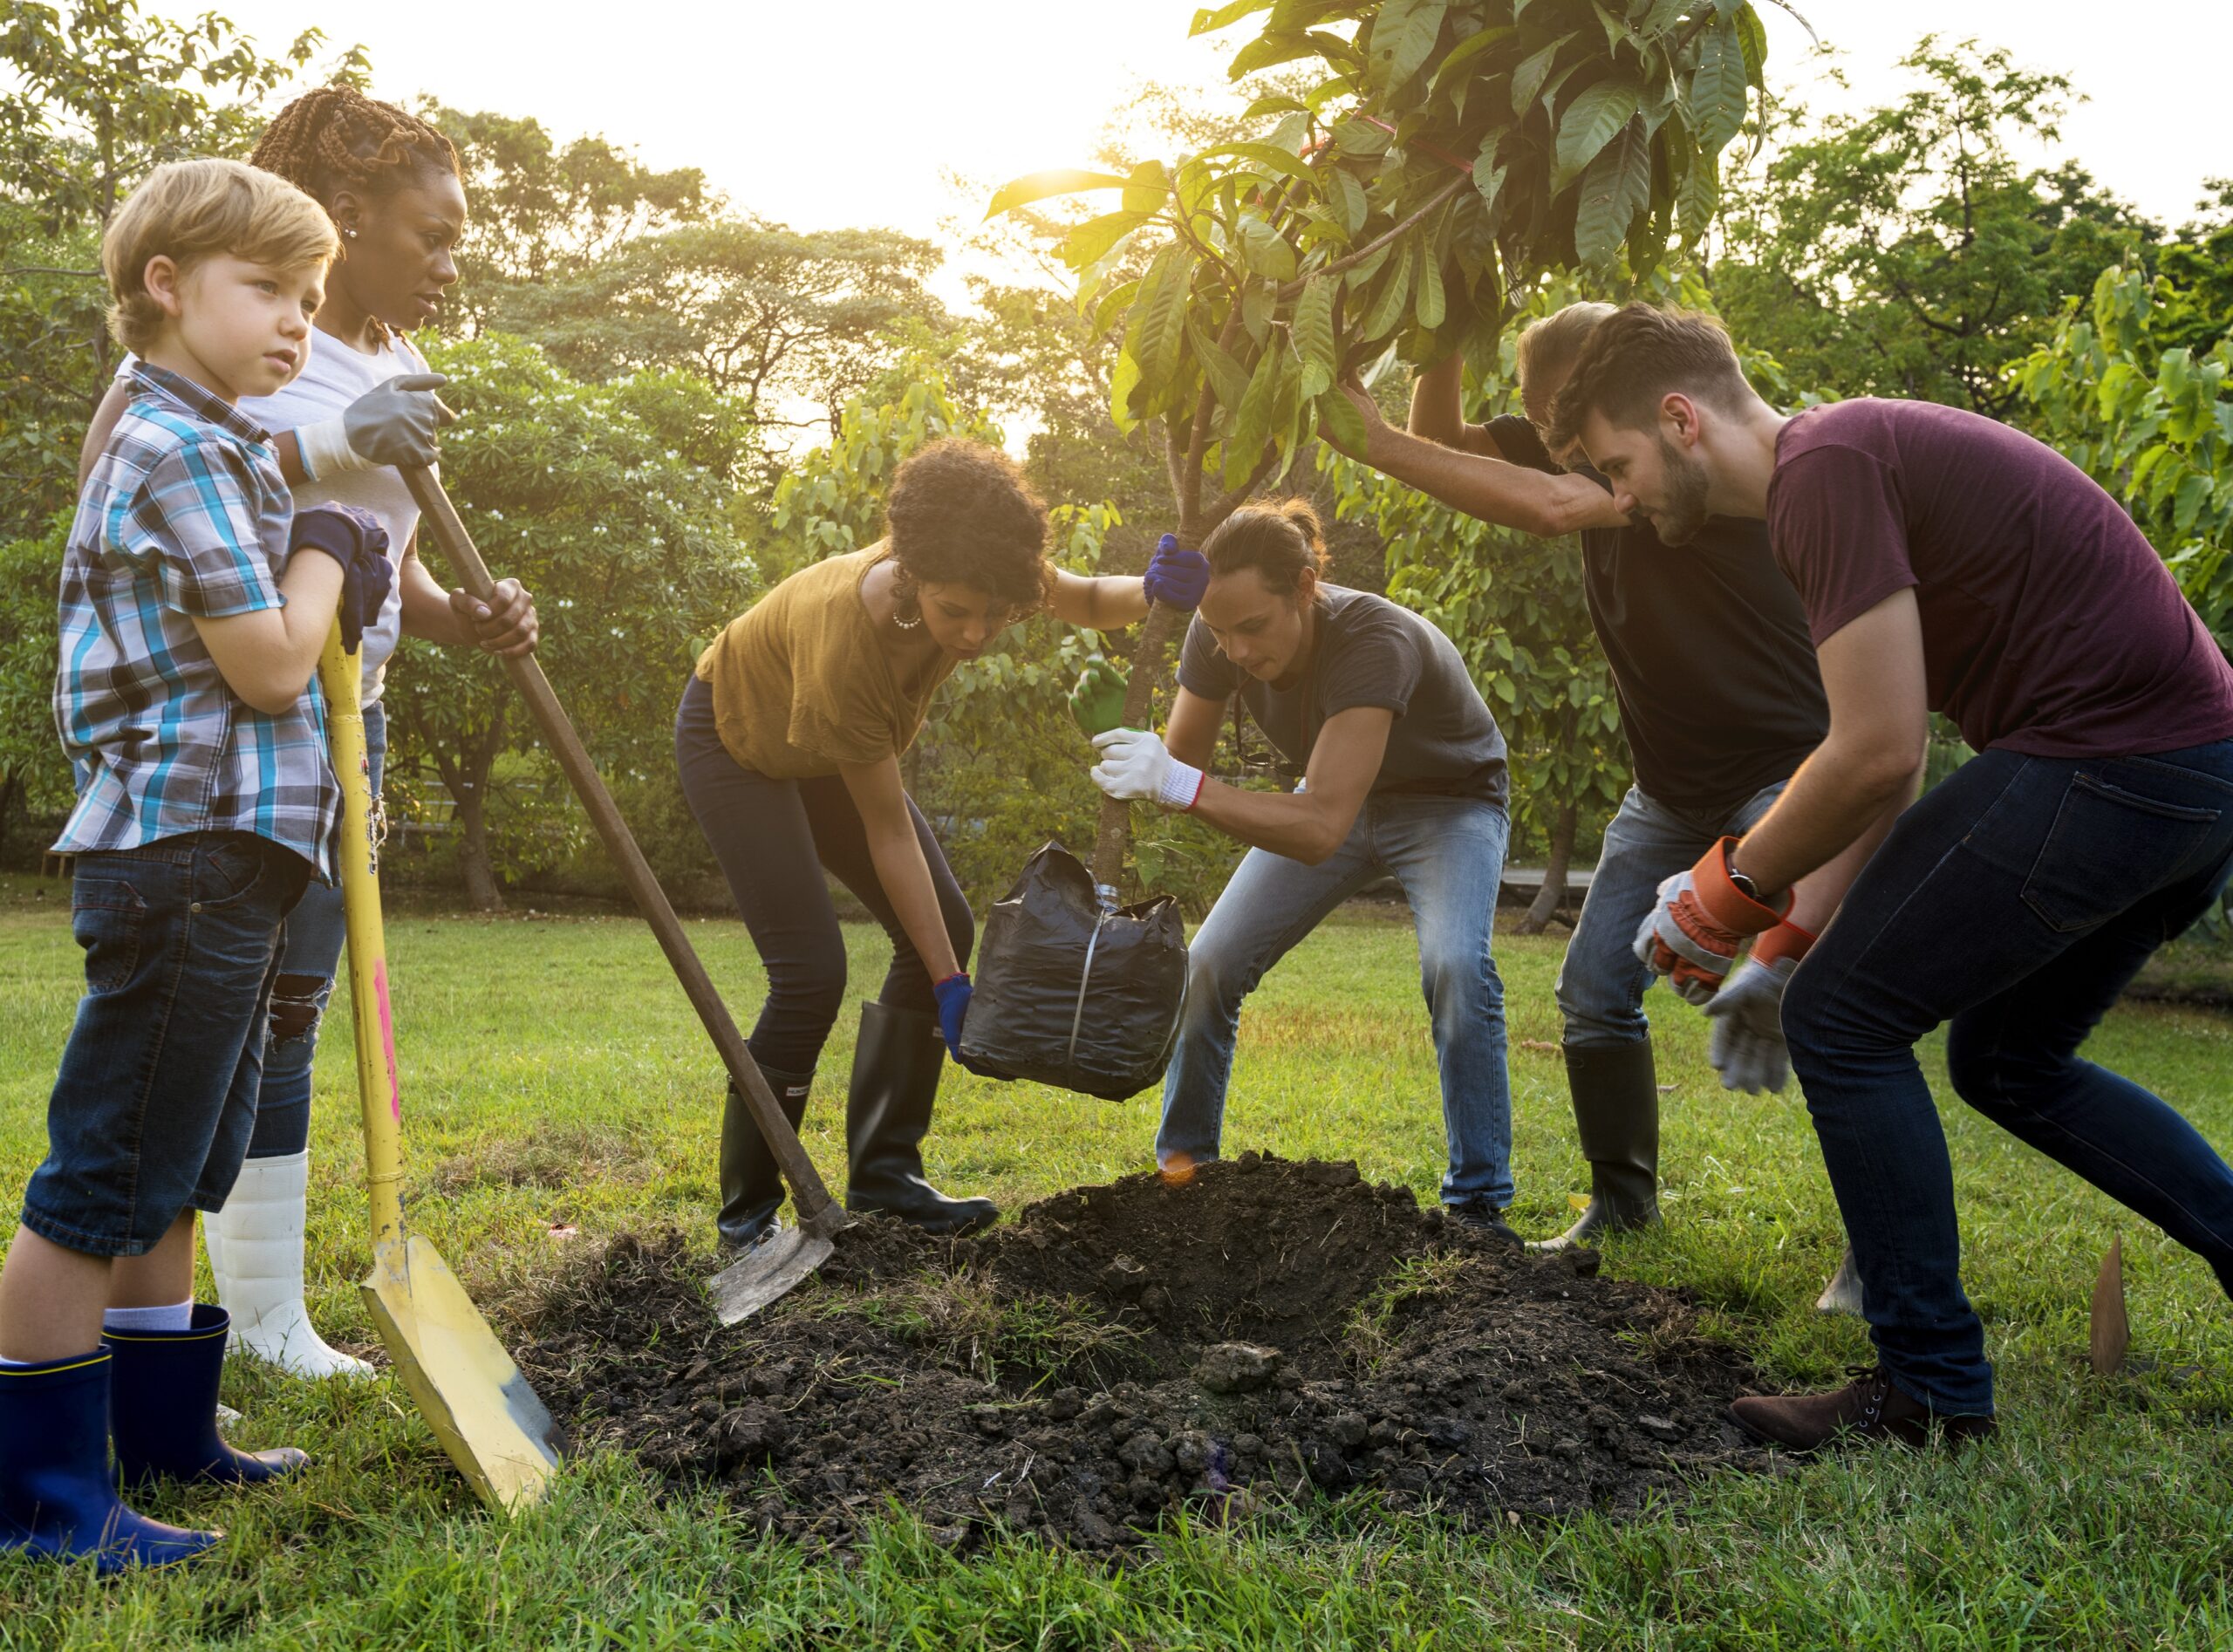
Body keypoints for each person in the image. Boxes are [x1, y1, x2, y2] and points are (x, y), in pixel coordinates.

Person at [1552, 302, 2233, 1450]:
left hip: (2115, 755)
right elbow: (1882, 759)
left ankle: (1928, 1390)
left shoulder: (1824, 474)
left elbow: (1875, 753)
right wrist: (1779, 949)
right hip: (2192, 773)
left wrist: (1722, 892)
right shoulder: (1840, 469)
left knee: (1849, 1024)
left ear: (1680, 419)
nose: (1618, 500)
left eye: (1617, 467)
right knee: (2006, 1060)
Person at [75, 88, 539, 1380]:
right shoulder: (225, 359)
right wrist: (330, 441)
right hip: (232, 734)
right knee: (226, 1021)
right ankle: (253, 1317)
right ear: (350, 220)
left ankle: (268, 1320)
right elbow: (127, 478)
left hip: (350, 718)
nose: (452, 262)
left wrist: (464, 614)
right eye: (432, 234)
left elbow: (373, 561)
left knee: (291, 1003)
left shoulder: (383, 355)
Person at [1323, 309, 1881, 1300]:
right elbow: (1446, 440)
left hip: (1787, 769)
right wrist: (1445, 312)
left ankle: (1876, 1244)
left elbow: (1538, 502)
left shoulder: (1670, 467)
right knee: (1590, 988)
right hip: (1667, 787)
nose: (1569, 443)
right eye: (1552, 425)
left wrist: (1361, 436)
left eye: (1581, 425)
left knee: (1819, 994)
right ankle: (1622, 1198)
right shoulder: (1580, 454)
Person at [0, 159, 390, 1570]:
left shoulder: (221, 444)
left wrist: (327, 538)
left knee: (178, 1170)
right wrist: (335, 550)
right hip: (184, 855)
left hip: (231, 859)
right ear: (166, 286)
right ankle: (47, 1500)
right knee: (102, 1183)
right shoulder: (172, 446)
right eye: (268, 290)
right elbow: (274, 665)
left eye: (310, 298)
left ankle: (166, 1436)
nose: (298, 322)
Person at [679, 439, 1210, 1249]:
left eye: (994, 614)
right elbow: (888, 833)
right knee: (810, 973)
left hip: (822, 746)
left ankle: (885, 1177)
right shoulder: (846, 640)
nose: (975, 634)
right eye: (955, 612)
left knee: (944, 926)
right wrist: (949, 984)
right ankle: (747, 1215)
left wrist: (1153, 586)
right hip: (737, 741)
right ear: (911, 575)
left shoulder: (992, 573)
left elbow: (1091, 600)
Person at [1089, 501, 1521, 1238]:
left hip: (1447, 803)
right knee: (1209, 965)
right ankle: (1183, 1174)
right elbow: (1180, 767)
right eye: (1219, 631)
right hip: (1332, 795)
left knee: (1454, 965)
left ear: (1305, 587)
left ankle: (1478, 1205)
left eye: (1252, 627)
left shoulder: (1374, 639)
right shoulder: (1215, 631)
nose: (1236, 650)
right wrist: (1131, 752)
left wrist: (1180, 784)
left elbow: (1320, 827)